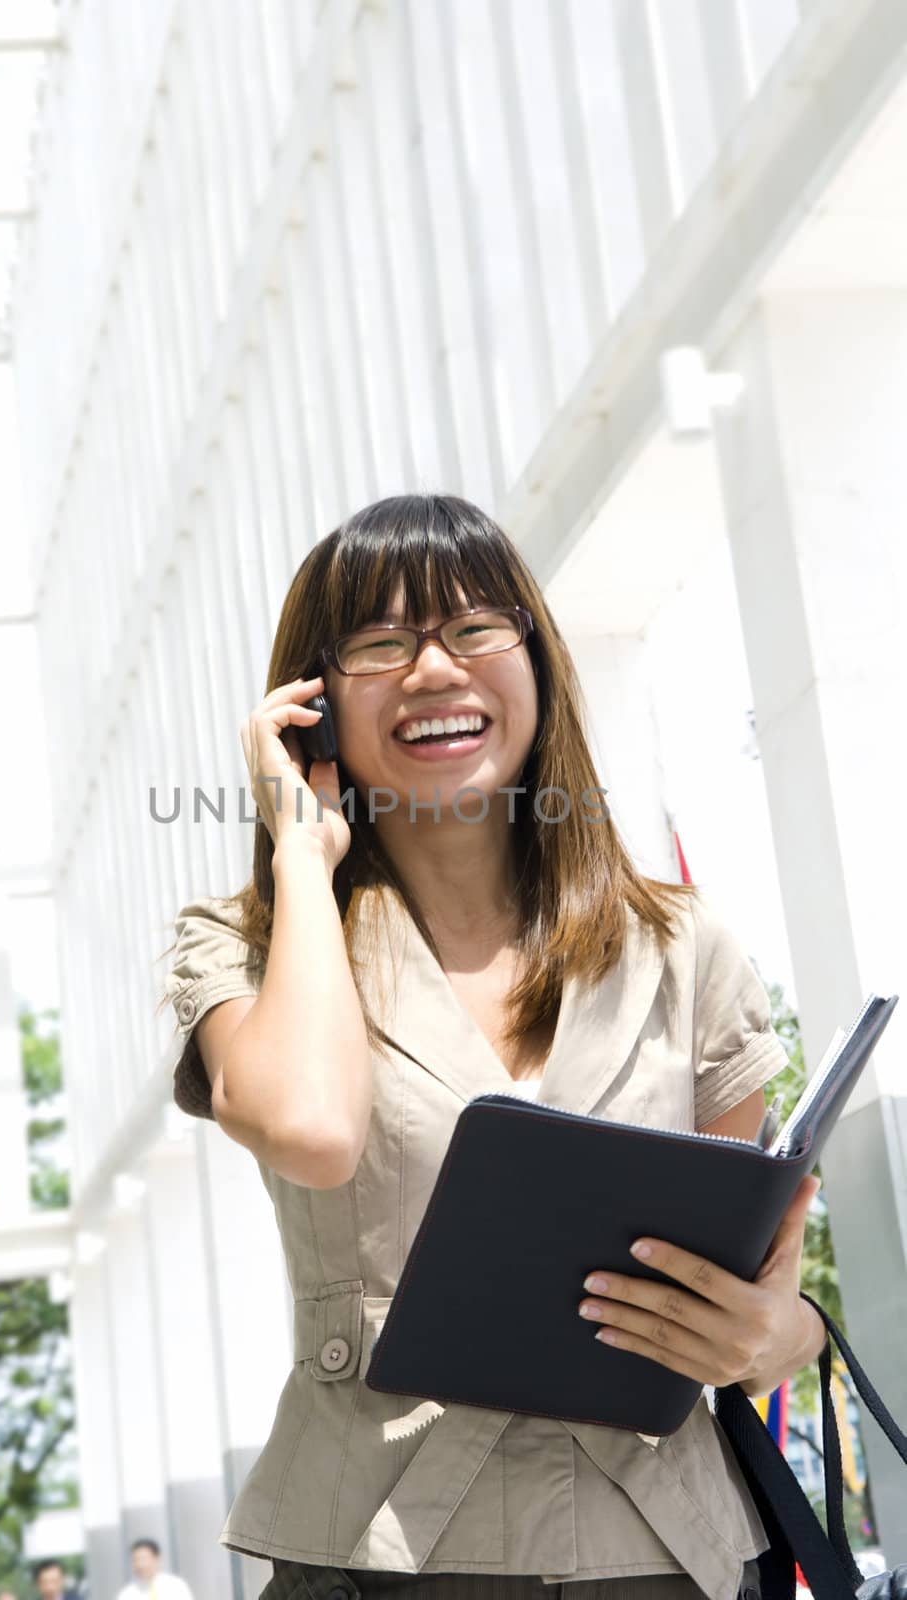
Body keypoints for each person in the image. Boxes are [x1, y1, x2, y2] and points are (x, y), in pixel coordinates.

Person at [159, 494, 825, 1600]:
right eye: (379, 643)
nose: (431, 670)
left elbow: (753, 1294)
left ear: (536, 661)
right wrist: (300, 857)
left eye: (473, 628)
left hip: (663, 1555)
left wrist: (769, 1335)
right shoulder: (251, 942)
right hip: (383, 1553)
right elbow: (315, 1131)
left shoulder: (678, 944)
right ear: (311, 708)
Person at [116, 1538, 194, 1600]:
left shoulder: (176, 1586)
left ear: (156, 1559)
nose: (140, 1565)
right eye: (135, 1560)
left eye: (143, 1559)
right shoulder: (127, 1594)